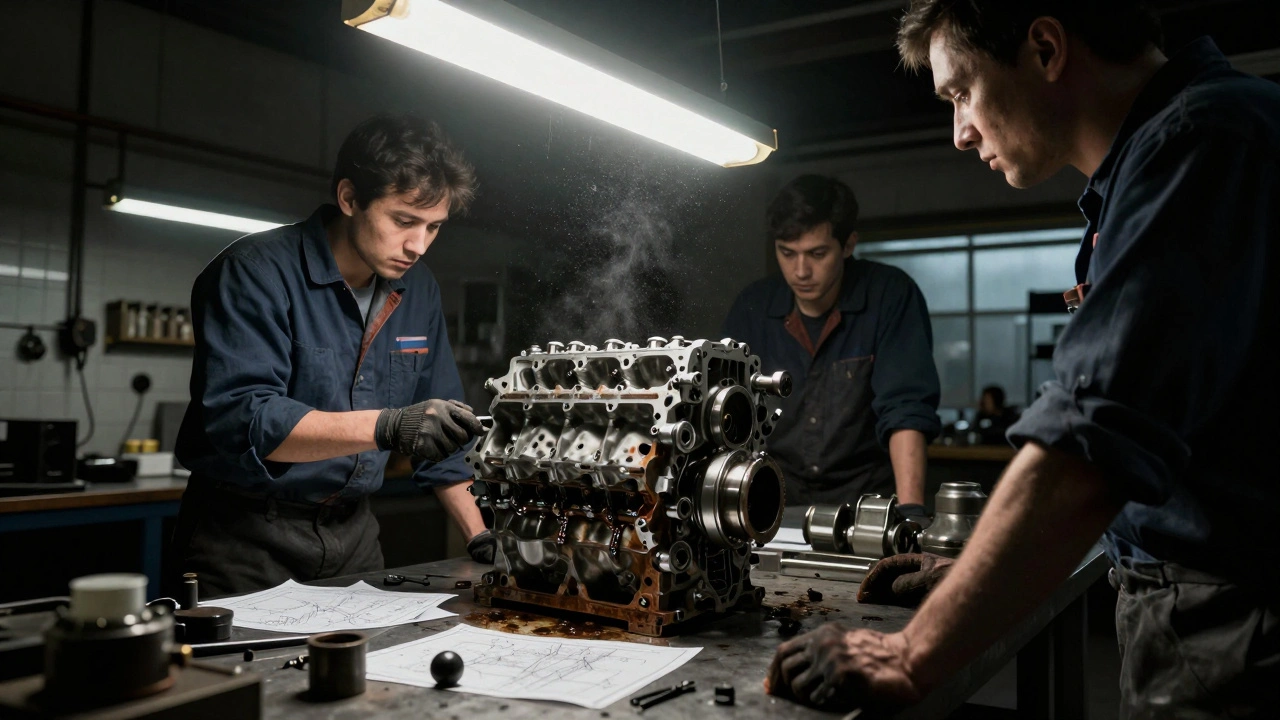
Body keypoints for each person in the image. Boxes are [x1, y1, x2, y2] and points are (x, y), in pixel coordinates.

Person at [766, 1, 1280, 716]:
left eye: (961, 92)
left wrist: (913, 653)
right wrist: (980, 574)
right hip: (1200, 614)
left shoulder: (1203, 143)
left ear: (1044, 48)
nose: (959, 132)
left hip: (1240, 630)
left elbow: (1089, 449)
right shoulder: (1143, 172)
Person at [173, 113, 497, 598]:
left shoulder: (418, 290)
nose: (418, 245)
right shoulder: (254, 273)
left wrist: (482, 537)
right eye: (404, 221)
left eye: (434, 227)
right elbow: (247, 420)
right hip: (244, 539)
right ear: (349, 198)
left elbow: (443, 440)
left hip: (355, 537)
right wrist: (389, 426)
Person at [721, 175, 941, 524]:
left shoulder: (890, 295)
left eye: (817, 254)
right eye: (787, 253)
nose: (801, 271)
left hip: (866, 506)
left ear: (849, 244)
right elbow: (725, 414)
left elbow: (905, 409)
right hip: (771, 502)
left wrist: (911, 512)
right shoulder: (752, 308)